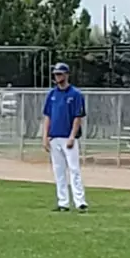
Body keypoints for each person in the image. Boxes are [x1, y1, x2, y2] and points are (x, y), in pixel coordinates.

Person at [42, 63, 88, 212]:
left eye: (60, 74)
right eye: (56, 74)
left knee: (74, 169)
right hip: (55, 137)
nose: (57, 77)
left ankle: (80, 201)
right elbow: (47, 116)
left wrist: (72, 137)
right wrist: (45, 136)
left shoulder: (75, 94)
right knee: (59, 170)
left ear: (67, 75)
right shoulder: (52, 94)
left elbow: (77, 117)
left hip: (68, 137)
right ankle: (63, 202)